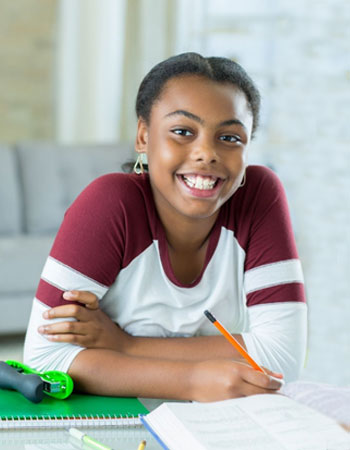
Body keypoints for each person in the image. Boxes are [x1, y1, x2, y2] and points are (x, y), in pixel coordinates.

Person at [24, 52, 307, 402]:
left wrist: (125, 346)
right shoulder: (110, 204)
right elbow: (43, 358)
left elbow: (283, 358)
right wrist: (191, 381)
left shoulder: (260, 196)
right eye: (182, 131)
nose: (206, 153)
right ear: (143, 136)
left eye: (230, 138)